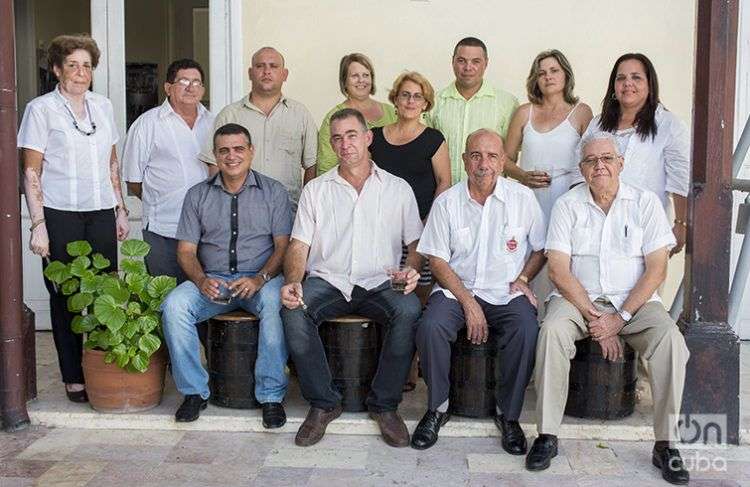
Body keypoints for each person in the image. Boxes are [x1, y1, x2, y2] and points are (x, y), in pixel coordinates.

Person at [527, 132, 690, 486]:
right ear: (582, 168)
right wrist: (596, 317)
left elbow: (657, 269)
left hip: (635, 303)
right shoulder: (567, 205)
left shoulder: (646, 203)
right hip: (577, 301)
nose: (599, 166)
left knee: (671, 341)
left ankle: (667, 444)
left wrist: (621, 318)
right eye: (591, 161)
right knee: (552, 331)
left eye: (606, 159)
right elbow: (557, 269)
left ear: (620, 164)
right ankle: (547, 435)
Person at [280, 108, 423, 448]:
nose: (345, 144)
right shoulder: (317, 189)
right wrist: (293, 280)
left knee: (409, 310)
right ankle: (324, 403)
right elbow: (299, 246)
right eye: (337, 138)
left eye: (352, 135)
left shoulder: (397, 189)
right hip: (328, 280)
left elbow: (416, 244)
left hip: (379, 281)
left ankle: (385, 405)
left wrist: (412, 268)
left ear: (368, 137)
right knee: (293, 309)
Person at [411, 129, 545, 452]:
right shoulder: (447, 203)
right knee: (430, 326)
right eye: (475, 155)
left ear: (502, 162)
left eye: (491, 156)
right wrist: (468, 302)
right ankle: (437, 408)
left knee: (527, 328)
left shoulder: (523, 199)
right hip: (459, 291)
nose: (483, 163)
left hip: (505, 292)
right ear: (464, 160)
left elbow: (541, 249)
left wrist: (524, 279)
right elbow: (438, 261)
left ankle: (509, 416)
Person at [18, 34, 129, 403]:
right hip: (60, 212)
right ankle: (72, 375)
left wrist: (120, 208)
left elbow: (111, 162)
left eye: (87, 66)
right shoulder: (41, 109)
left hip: (99, 210)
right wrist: (38, 225)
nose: (81, 72)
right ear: (56, 69)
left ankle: (99, 366)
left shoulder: (103, 106)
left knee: (103, 292)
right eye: (72, 65)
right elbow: (31, 172)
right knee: (65, 296)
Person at [161, 123, 292, 428]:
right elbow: (185, 251)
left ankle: (271, 396)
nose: (231, 156)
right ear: (216, 156)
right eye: (224, 150)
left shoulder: (273, 192)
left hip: (261, 280)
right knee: (175, 306)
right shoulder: (197, 195)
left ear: (251, 152)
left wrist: (260, 278)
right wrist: (202, 280)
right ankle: (194, 392)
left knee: (276, 305)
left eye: (238, 149)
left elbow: (283, 247)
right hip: (212, 279)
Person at [503, 49, 593, 317]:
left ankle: (559, 326)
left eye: (554, 70)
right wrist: (523, 176)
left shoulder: (581, 112)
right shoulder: (524, 112)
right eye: (541, 72)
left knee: (562, 257)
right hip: (529, 198)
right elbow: (504, 160)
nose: (548, 77)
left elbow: (591, 157)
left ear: (565, 74)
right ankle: (527, 322)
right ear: (535, 79)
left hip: (567, 197)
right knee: (526, 255)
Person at [578, 53, 690, 256]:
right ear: (614, 86)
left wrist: (681, 223)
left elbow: (680, 179)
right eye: (621, 78)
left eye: (636, 77)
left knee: (645, 286)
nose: (628, 83)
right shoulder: (598, 123)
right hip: (596, 226)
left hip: (646, 229)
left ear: (649, 84)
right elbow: (580, 169)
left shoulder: (669, 125)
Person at [123, 58, 215, 282]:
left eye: (197, 82)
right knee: (165, 298)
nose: (191, 87)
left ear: (202, 89)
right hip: (163, 229)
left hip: (208, 232)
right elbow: (133, 181)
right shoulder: (147, 124)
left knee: (205, 300)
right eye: (183, 81)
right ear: (168, 88)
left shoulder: (214, 122)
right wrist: (159, 199)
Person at [369, 71, 451, 305]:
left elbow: (444, 181)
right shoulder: (373, 138)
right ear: (395, 99)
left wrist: (429, 222)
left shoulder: (433, 139)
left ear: (426, 104)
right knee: (382, 290)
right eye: (405, 95)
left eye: (417, 96)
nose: (411, 101)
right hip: (381, 231)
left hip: (420, 229)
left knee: (416, 292)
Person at [200, 46, 317, 205]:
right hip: (240, 211)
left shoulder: (300, 114)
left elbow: (312, 166)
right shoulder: (229, 115)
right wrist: (221, 205)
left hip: (288, 211)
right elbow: (213, 163)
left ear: (285, 74)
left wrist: (307, 208)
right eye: (260, 66)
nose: (266, 71)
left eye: (273, 66)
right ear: (250, 73)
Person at [427, 37, 519, 184]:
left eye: (476, 61)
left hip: (490, 198)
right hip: (444, 196)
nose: (468, 67)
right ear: (453, 61)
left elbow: (509, 157)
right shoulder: (434, 102)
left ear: (486, 63)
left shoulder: (507, 103)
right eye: (461, 60)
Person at [316, 53, 397, 175]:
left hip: (389, 187)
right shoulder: (333, 117)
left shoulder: (392, 112)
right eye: (354, 76)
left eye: (366, 75)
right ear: (344, 81)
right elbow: (325, 167)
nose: (361, 80)